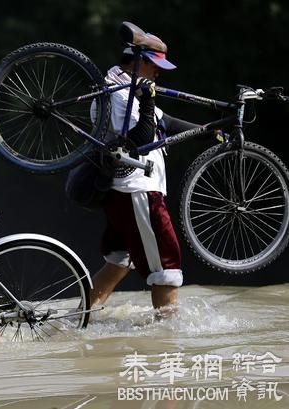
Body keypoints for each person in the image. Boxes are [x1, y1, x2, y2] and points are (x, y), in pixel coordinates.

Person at [88, 34, 200, 316]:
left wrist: (210, 130)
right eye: (154, 64)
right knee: (167, 266)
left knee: (118, 261)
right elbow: (139, 139)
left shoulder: (129, 88)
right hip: (137, 191)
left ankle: (78, 321)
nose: (159, 71)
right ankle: (167, 339)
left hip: (127, 193)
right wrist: (147, 101)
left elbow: (166, 122)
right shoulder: (117, 94)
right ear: (138, 61)